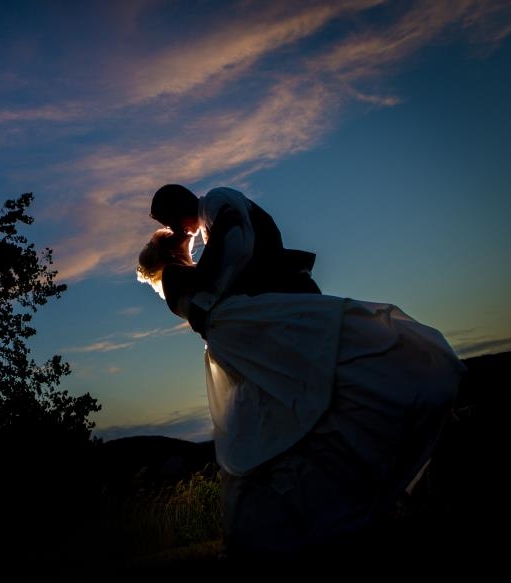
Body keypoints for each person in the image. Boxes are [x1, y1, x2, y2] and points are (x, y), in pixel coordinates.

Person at [136, 228, 466, 563]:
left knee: (280, 397)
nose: (186, 235)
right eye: (178, 235)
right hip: (235, 329)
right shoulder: (176, 274)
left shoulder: (177, 276)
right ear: (168, 249)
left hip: (233, 335)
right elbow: (215, 276)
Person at [149, 184, 320, 335]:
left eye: (170, 223)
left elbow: (237, 248)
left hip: (277, 283)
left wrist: (207, 298)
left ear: (177, 210)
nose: (176, 229)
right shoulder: (210, 221)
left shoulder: (214, 201)